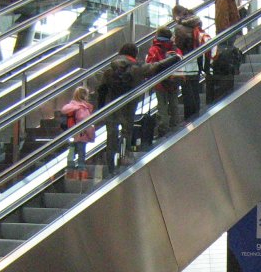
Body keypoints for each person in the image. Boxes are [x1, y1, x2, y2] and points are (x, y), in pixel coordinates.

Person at [95, 43, 179, 174]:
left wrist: (100, 109)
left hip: (111, 105)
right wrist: (174, 58)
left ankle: (110, 167)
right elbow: (156, 67)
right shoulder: (137, 68)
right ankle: (124, 159)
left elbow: (101, 89)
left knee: (111, 135)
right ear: (134, 53)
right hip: (129, 105)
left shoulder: (110, 68)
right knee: (127, 131)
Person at [208, 0, 241, 103]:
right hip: (226, 35)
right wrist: (226, 33)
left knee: (226, 64)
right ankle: (224, 94)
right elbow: (222, 18)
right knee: (226, 63)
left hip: (228, 35)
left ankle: (223, 93)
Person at [145, 27, 182, 140]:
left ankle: (163, 130)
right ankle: (176, 128)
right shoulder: (175, 49)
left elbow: (150, 65)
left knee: (162, 106)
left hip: (160, 83)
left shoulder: (154, 49)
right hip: (174, 81)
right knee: (174, 104)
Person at [172, 4, 206, 120]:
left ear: (177, 15)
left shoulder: (179, 28)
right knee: (195, 91)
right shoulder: (196, 25)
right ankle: (197, 117)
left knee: (187, 92)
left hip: (185, 63)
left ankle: (189, 119)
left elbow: (179, 46)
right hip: (196, 62)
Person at [59, 85, 95, 170]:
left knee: (71, 152)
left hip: (71, 134)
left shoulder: (69, 107)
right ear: (85, 95)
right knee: (81, 154)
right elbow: (86, 124)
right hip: (81, 136)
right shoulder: (82, 108)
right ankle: (80, 172)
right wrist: (91, 136)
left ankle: (70, 169)